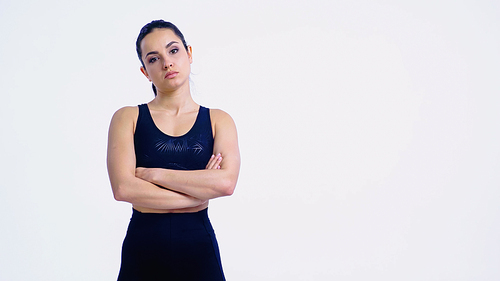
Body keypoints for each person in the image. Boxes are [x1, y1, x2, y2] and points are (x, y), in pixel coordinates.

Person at [107, 20, 240, 280]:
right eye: (154, 58)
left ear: (189, 53)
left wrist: (155, 175)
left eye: (173, 51)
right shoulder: (127, 118)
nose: (167, 63)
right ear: (145, 71)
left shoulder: (218, 120)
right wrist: (198, 193)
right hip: (142, 249)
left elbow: (225, 184)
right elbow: (123, 188)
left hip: (199, 250)